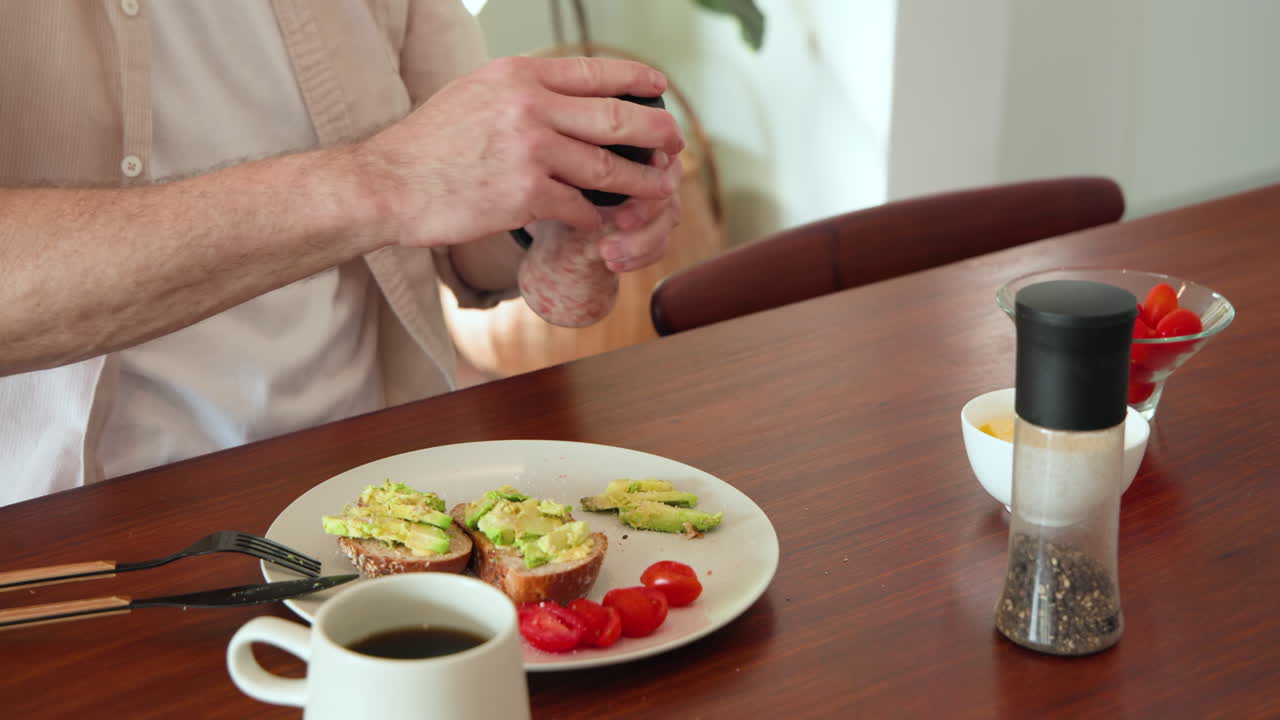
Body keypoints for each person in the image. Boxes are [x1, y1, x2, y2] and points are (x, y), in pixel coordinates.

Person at [0, 0, 684, 506]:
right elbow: (410, 176)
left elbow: (457, 222)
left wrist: (560, 198)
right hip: (58, 530)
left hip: (378, 488)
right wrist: (381, 181)